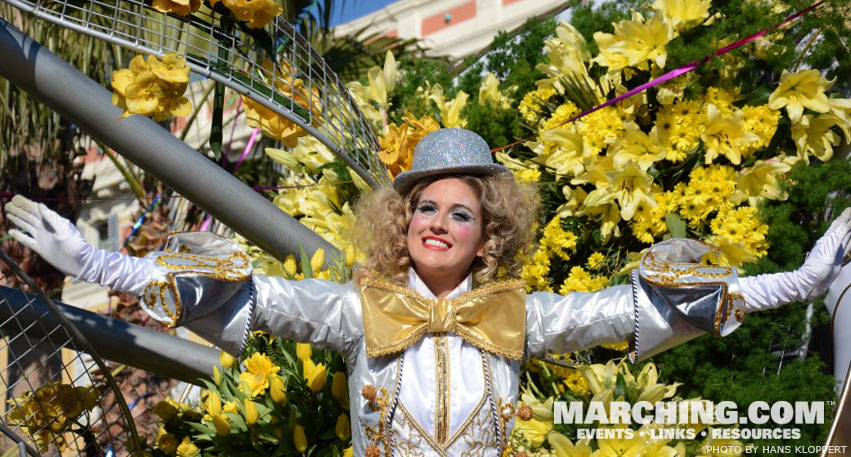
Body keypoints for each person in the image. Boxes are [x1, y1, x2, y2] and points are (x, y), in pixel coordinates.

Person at [6, 128, 851, 456]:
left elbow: (656, 306)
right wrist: (100, 263)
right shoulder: (350, 307)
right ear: (400, 221)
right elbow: (244, 295)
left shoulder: (526, 315)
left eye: (461, 212)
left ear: (491, 234)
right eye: (424, 208)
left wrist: (806, 280)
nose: (438, 223)